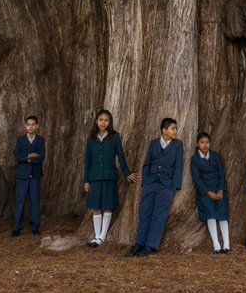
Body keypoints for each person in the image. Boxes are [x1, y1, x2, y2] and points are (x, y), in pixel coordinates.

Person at [126, 117, 184, 258]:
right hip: (151, 183)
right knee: (145, 212)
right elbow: (147, 163)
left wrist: (174, 186)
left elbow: (179, 166)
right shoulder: (153, 144)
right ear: (164, 130)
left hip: (166, 186)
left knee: (159, 215)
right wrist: (145, 181)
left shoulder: (178, 145)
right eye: (173, 128)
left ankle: (150, 245)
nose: (175, 131)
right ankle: (139, 243)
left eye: (176, 128)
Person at [83, 109, 139, 247]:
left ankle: (102, 237)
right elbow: (87, 161)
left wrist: (127, 174)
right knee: (96, 206)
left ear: (110, 122)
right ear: (96, 121)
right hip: (94, 177)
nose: (103, 122)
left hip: (109, 176)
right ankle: (96, 236)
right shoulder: (91, 139)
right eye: (101, 119)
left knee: (107, 206)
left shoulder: (114, 137)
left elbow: (120, 156)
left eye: (106, 120)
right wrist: (86, 180)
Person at [190, 131, 231, 254]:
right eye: (202, 142)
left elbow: (221, 174)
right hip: (205, 192)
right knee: (211, 215)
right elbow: (196, 178)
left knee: (223, 215)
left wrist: (220, 189)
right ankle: (216, 245)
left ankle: (227, 244)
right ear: (197, 144)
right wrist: (208, 192)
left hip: (219, 190)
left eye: (207, 142)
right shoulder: (195, 159)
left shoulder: (215, 156)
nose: (205, 145)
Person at [11, 115, 45, 236]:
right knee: (20, 201)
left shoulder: (40, 140)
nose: (31, 127)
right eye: (28, 124)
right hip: (22, 175)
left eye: (33, 124)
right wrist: (28, 157)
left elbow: (41, 156)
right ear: (25, 126)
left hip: (35, 175)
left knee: (34, 201)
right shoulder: (20, 140)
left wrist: (31, 159)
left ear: (37, 126)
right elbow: (17, 155)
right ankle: (16, 228)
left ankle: (35, 226)